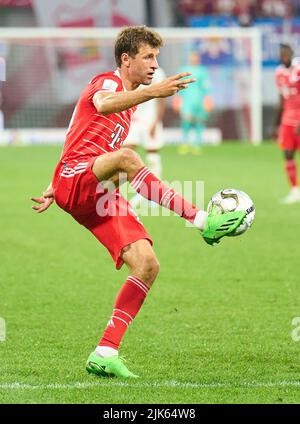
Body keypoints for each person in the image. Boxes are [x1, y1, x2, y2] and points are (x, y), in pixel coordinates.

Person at [31, 26, 245, 379]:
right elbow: (101, 104)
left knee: (147, 264)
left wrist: (55, 186)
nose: (154, 65)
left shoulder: (127, 107)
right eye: (148, 57)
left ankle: (105, 352)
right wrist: (156, 92)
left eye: (156, 58)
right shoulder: (108, 83)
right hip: (76, 180)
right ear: (126, 59)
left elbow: (79, 135)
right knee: (128, 157)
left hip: (89, 188)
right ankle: (201, 219)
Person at [123, 66, 166, 209]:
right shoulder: (130, 71)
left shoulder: (158, 73)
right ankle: (123, 193)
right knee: (125, 154)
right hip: (133, 118)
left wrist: (157, 120)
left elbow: (161, 100)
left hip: (150, 118)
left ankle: (155, 194)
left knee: (152, 153)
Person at [273, 44, 300, 204]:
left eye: (286, 53)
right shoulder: (279, 73)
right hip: (287, 121)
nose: (284, 57)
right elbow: (281, 99)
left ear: (291, 53)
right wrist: (276, 124)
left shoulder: (298, 69)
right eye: (281, 54)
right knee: (288, 154)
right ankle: (295, 190)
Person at [173, 50, 213, 155]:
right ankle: (185, 143)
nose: (194, 59)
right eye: (192, 57)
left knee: (199, 121)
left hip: (199, 100)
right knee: (186, 121)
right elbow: (179, 85)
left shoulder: (203, 71)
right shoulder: (184, 70)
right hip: (187, 100)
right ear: (190, 58)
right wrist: (177, 98)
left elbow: (206, 87)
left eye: (196, 57)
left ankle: (197, 144)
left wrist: (208, 99)